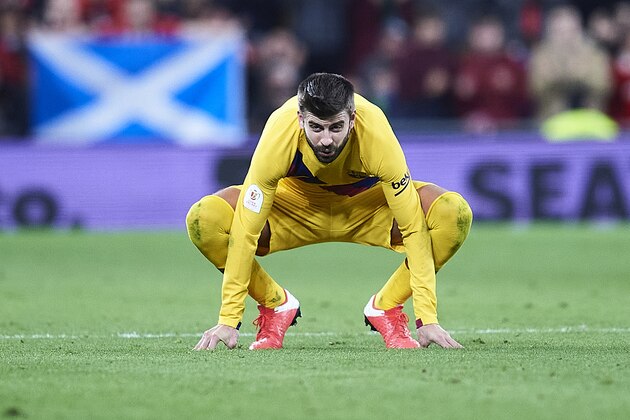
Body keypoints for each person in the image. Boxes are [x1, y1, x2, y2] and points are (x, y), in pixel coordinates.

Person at [186, 73, 473, 350]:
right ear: (300, 119)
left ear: (353, 119)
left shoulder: (376, 133)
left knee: (452, 213)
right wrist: (228, 319)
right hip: (293, 209)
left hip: (368, 208)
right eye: (316, 127)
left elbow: (412, 228)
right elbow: (246, 230)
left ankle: (386, 306)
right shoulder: (279, 132)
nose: (325, 140)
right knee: (205, 218)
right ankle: (275, 304)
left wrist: (427, 317)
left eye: (336, 127)